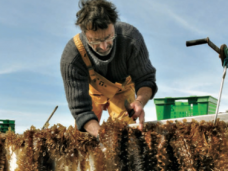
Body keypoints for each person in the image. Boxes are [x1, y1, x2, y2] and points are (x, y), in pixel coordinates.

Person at [60, 0, 157, 137]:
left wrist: (139, 101)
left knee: (126, 134)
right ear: (85, 34)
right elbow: (81, 110)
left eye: (109, 37)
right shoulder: (72, 56)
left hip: (123, 89)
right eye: (95, 41)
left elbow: (145, 79)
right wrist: (103, 138)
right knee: (83, 137)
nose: (104, 46)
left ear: (114, 24)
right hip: (92, 92)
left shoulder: (131, 39)